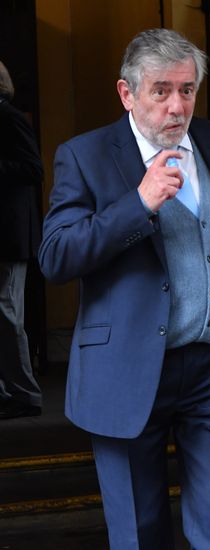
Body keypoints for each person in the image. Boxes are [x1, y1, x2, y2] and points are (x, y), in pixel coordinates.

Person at [39, 29, 210, 550]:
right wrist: (136, 204)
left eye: (187, 90)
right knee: (140, 531)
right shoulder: (85, 155)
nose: (177, 105)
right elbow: (55, 256)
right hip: (126, 368)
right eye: (160, 90)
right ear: (127, 93)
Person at [0, 61, 43, 419]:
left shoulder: (10, 117)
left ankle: (25, 394)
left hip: (10, 235)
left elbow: (34, 169)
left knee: (8, 314)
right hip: (4, 234)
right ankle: (8, 390)